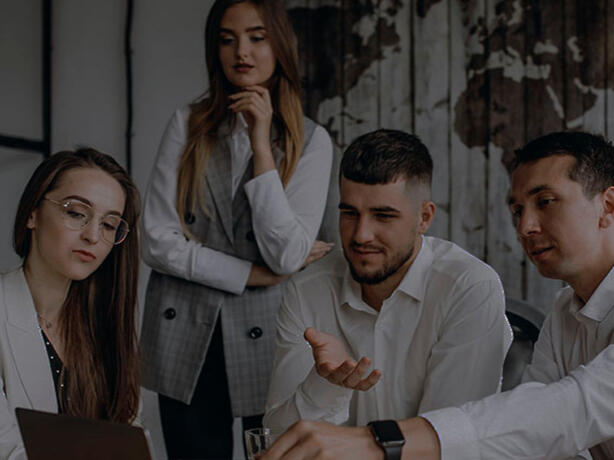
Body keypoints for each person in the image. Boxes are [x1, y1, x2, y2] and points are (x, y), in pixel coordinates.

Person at [262, 131, 614, 460]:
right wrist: (327, 387)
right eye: (517, 210)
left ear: (609, 204)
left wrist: (380, 442)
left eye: (546, 202)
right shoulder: (564, 312)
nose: (525, 227)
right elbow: (538, 435)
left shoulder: (467, 285)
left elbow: (573, 408)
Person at [138, 0, 333, 457]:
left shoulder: (311, 141)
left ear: (280, 44)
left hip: (270, 334)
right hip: (185, 331)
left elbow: (285, 256)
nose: (241, 52)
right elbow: (156, 241)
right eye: (227, 39)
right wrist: (248, 274)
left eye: (256, 37)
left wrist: (262, 146)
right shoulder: (188, 124)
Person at [263, 129, 512, 445]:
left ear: (424, 218)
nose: (361, 235)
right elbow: (276, 439)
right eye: (350, 213)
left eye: (383, 216)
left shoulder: (468, 287)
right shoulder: (307, 289)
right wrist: (324, 385)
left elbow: (448, 443)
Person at [0, 148, 141, 459]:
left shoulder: (104, 325)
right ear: (32, 214)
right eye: (76, 213)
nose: (93, 236)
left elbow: (129, 442)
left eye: (109, 225)